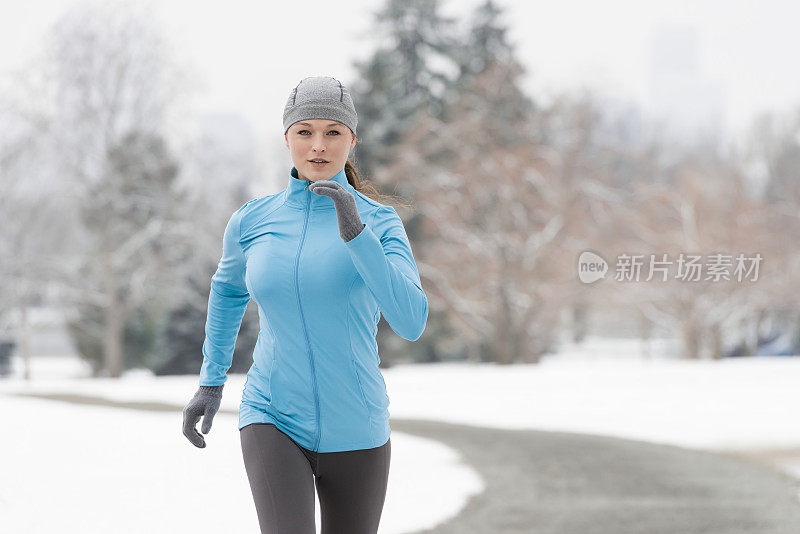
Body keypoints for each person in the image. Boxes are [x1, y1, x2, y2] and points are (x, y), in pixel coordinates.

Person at [182, 75, 429, 534]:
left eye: (333, 132)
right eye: (305, 131)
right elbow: (228, 292)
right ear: (287, 139)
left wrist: (356, 232)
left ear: (352, 140)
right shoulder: (252, 221)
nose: (318, 145)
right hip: (272, 414)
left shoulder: (380, 223)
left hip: (358, 427)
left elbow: (411, 320)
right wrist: (211, 382)